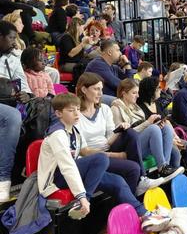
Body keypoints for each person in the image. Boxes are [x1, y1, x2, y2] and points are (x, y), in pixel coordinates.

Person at [37, 93, 169, 224]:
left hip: (69, 173)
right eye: (71, 111)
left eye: (77, 109)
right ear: (58, 113)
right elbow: (67, 167)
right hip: (56, 179)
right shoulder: (57, 134)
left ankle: (143, 215)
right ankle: (85, 200)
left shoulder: (73, 131)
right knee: (100, 158)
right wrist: (81, 196)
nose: (77, 114)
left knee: (118, 181)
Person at [75, 73, 164, 197]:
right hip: (93, 157)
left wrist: (120, 129)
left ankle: (144, 178)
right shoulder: (75, 115)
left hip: (107, 147)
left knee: (130, 132)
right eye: (96, 89)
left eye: (101, 89)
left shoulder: (104, 108)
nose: (100, 93)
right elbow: (84, 151)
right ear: (84, 89)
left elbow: (109, 140)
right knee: (133, 168)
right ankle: (134, 197)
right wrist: (116, 155)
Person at [111, 78, 183, 177]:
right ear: (124, 93)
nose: (138, 95)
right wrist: (148, 123)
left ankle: (165, 166)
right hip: (128, 146)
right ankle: (162, 167)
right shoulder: (116, 108)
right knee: (153, 129)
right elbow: (121, 135)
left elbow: (142, 128)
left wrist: (155, 124)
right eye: (134, 93)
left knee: (166, 128)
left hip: (140, 142)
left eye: (138, 92)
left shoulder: (135, 107)